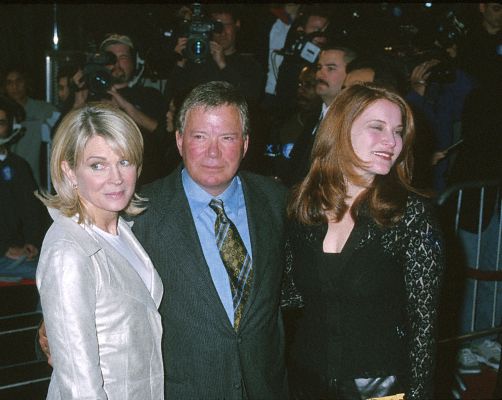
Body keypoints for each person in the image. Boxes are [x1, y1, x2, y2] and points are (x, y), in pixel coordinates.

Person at [282, 83, 444, 399]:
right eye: (377, 127)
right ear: (341, 129)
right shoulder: (304, 208)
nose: (392, 142)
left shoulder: (410, 215)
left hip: (380, 385)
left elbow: (423, 327)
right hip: (306, 378)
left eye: (398, 131)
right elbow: (290, 295)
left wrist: (419, 394)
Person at [132, 81, 289, 399]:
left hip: (265, 388)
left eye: (227, 138)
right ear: (179, 141)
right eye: (199, 137)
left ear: (245, 144)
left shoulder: (277, 201)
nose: (213, 152)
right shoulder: (140, 212)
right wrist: (50, 328)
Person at [36, 103, 164, 399]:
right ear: (69, 171)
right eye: (97, 165)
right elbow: (79, 387)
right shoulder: (68, 250)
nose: (116, 178)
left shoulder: (123, 231)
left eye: (124, 161)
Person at [0, 97, 48, 280]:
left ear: (11, 127)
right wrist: (4, 248)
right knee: (47, 275)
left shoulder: (19, 166)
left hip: (18, 253)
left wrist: (31, 242)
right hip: (5, 253)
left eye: (1, 123)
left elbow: (32, 210)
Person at [3, 65, 59, 189]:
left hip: (34, 183)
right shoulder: (3, 112)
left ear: (26, 83)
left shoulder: (42, 110)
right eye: (9, 83)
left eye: (19, 81)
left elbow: (63, 120)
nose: (15, 87)